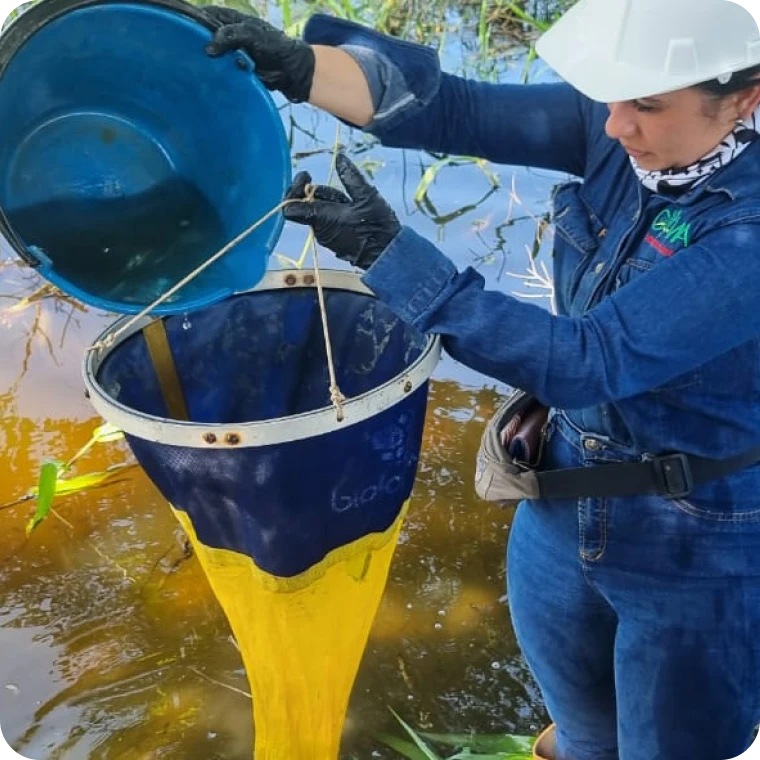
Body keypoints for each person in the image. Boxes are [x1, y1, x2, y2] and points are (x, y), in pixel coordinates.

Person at [203, 1, 760, 758]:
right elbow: (457, 106)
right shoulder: (625, 135)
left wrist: (390, 254)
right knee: (584, 733)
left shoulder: (747, 234)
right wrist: (304, 70)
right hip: (563, 500)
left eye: (648, 106)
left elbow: (586, 360)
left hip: (700, 542)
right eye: (613, 96)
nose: (614, 126)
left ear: (745, 98)